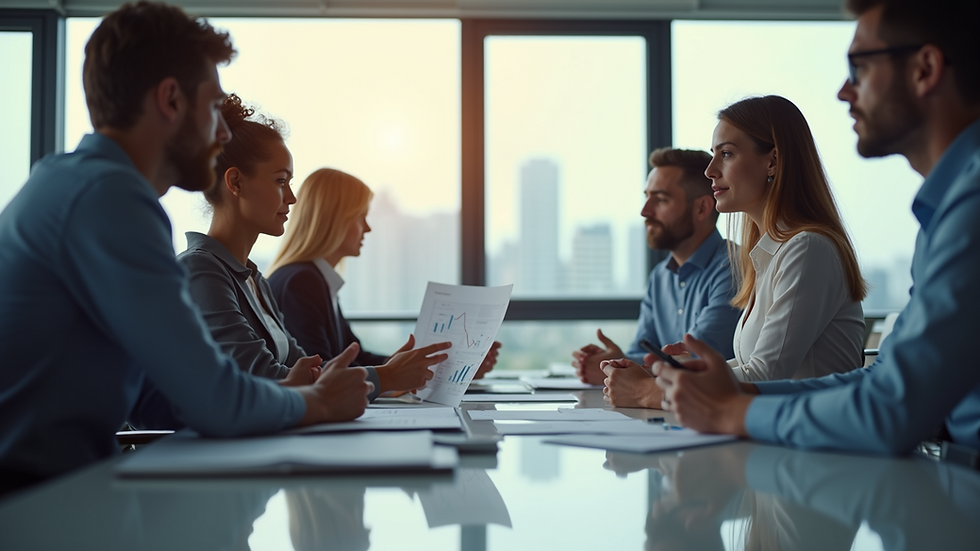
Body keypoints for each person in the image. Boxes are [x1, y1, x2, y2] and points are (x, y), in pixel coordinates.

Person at [0, 1, 370, 494]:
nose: (222, 132)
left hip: (67, 487)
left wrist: (279, 394)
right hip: (37, 502)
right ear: (171, 100)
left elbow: (163, 398)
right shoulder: (110, 198)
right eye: (215, 107)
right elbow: (211, 400)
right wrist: (317, 403)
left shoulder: (72, 181)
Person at [653, 0, 980, 455]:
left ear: (924, 69)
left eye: (859, 68)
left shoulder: (970, 209)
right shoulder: (944, 213)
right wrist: (733, 396)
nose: (844, 92)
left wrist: (734, 410)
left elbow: (892, 409)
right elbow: (880, 381)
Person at [130, 98, 450, 429]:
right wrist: (385, 375)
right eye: (281, 181)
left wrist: (382, 374)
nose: (292, 198)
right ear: (236, 183)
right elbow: (266, 379)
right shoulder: (202, 272)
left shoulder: (255, 280)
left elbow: (307, 368)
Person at [267, 168, 500, 381]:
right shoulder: (303, 282)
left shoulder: (312, 279)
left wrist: (441, 367)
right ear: (334, 220)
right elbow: (324, 373)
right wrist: (396, 372)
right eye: (360, 217)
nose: (367, 228)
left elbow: (356, 358)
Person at [572, 148, 741, 393]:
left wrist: (621, 367)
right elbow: (644, 352)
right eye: (647, 197)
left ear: (702, 209)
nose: (645, 211)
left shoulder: (734, 268)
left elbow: (691, 358)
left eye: (660, 200)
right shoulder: (659, 277)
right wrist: (614, 362)